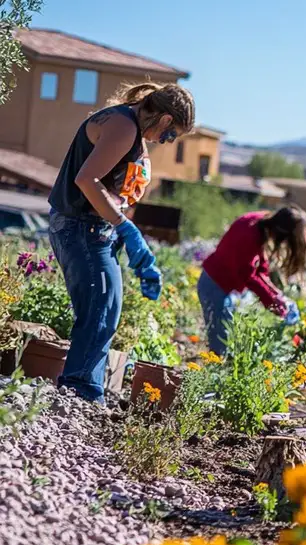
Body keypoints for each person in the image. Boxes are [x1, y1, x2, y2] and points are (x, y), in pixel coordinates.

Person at [47, 82, 195, 403]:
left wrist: (128, 238)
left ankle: (83, 389)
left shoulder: (131, 132)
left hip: (95, 231)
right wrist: (125, 228)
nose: (167, 142)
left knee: (106, 310)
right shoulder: (122, 126)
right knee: (100, 311)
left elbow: (115, 193)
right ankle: (79, 393)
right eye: (171, 135)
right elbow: (86, 180)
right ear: (165, 119)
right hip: (80, 227)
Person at [198, 206, 306, 356]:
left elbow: (260, 268)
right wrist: (274, 304)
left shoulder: (262, 223)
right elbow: (248, 276)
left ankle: (218, 372)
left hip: (222, 286)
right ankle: (211, 376)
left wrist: (277, 295)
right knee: (220, 345)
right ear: (282, 232)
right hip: (214, 286)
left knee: (227, 339)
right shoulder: (249, 233)